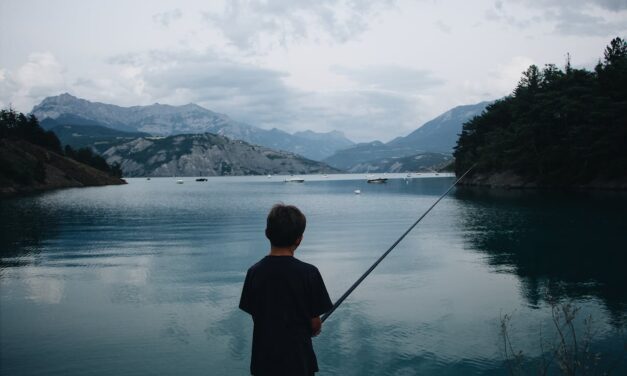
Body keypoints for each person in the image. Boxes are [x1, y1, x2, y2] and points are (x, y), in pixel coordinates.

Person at [239, 204, 333, 376]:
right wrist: (313, 329)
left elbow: (256, 315)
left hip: (264, 362)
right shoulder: (309, 273)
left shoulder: (254, 272)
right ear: (299, 239)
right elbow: (315, 324)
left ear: (267, 233)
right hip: (299, 362)